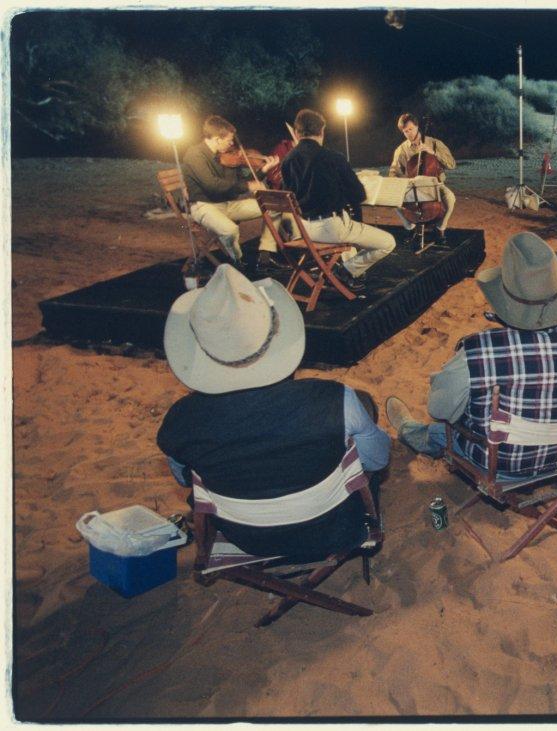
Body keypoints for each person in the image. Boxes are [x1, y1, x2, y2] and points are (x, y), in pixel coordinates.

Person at [156, 264, 391, 559]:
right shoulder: (334, 399)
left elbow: (184, 479)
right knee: (363, 411)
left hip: (247, 537)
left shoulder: (181, 420)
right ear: (274, 335)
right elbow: (379, 458)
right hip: (334, 530)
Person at [384, 232, 557, 477]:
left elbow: (440, 410)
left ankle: (409, 431)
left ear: (507, 301)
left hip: (501, 464)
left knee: (440, 429)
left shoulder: (482, 352)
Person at [282, 108, 396, 294]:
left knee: (349, 232)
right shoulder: (333, 158)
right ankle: (345, 271)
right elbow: (359, 195)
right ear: (322, 131)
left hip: (303, 230)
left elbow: (289, 195)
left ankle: (343, 268)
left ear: (296, 133)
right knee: (387, 242)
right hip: (331, 229)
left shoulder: (287, 160)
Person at [181, 115, 286, 274]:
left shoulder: (226, 156)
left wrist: (263, 171)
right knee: (230, 230)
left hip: (228, 204)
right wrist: (246, 185)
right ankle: (238, 261)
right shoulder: (195, 154)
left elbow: (241, 182)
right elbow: (212, 185)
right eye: (229, 140)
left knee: (274, 207)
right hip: (203, 206)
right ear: (217, 139)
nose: (232, 144)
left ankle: (266, 255)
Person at [389, 113, 457, 244]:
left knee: (450, 198)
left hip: (435, 184)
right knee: (393, 201)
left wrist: (434, 153)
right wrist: (404, 181)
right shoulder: (401, 150)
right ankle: (410, 227)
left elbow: (452, 164)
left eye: (411, 129)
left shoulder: (435, 143)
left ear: (417, 126)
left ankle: (440, 228)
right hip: (412, 185)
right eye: (405, 131)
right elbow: (393, 172)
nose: (409, 133)